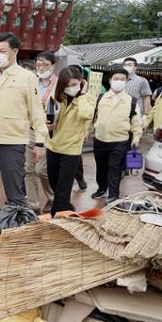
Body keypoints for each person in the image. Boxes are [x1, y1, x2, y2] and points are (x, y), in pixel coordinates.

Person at [0, 32, 48, 220]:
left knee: (15, 193)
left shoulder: (27, 77)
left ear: (14, 51)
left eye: (2, 50)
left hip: (12, 142)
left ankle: (17, 233)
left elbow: (36, 112)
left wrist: (40, 143)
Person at [45, 68, 95, 216]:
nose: (71, 88)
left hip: (71, 149)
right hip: (53, 146)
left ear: (81, 82)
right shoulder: (57, 97)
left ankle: (57, 217)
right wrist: (47, 124)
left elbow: (85, 114)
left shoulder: (88, 98)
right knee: (54, 182)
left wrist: (83, 95)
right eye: (67, 85)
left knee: (63, 187)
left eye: (75, 84)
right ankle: (65, 207)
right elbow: (45, 115)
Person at [92, 68, 142, 203]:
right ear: (110, 80)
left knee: (114, 169)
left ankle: (113, 194)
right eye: (116, 79)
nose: (119, 82)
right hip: (100, 139)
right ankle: (102, 188)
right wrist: (87, 132)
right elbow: (94, 118)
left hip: (120, 142)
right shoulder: (101, 97)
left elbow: (136, 122)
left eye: (122, 79)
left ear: (126, 81)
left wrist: (136, 137)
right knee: (101, 167)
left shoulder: (131, 101)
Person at [25, 51, 57, 213]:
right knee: (28, 169)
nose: (41, 67)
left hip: (50, 131)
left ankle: (52, 197)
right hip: (31, 129)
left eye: (45, 64)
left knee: (41, 170)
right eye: (38, 64)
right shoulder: (32, 82)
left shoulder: (60, 84)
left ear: (53, 65)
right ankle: (33, 204)